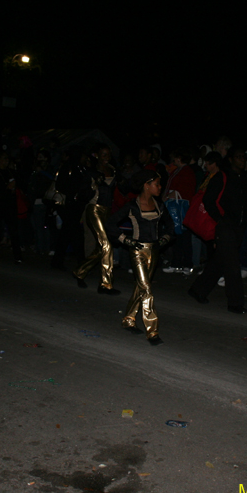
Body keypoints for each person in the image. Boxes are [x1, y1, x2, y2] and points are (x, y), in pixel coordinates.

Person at [107, 169, 174, 345]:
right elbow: (110, 223)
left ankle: (128, 319)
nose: (160, 187)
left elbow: (171, 226)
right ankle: (152, 331)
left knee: (141, 288)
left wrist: (164, 239)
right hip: (137, 251)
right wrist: (126, 240)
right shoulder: (132, 206)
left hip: (154, 251)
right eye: (157, 184)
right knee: (146, 289)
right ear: (146, 185)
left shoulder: (159, 205)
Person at [187, 152, 247, 313]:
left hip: (237, 227)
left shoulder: (244, 177)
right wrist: (220, 220)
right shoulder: (222, 176)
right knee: (232, 265)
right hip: (225, 226)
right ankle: (235, 303)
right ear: (231, 159)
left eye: (244, 157)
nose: (242, 160)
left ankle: (198, 289)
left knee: (220, 260)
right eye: (239, 156)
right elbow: (208, 200)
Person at [73, 146, 121, 295]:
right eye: (103, 154)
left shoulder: (113, 170)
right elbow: (81, 193)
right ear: (97, 156)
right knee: (106, 245)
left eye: (108, 154)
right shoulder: (91, 171)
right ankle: (106, 285)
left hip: (107, 211)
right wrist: (92, 187)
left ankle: (80, 271)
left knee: (102, 248)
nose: (107, 157)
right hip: (94, 209)